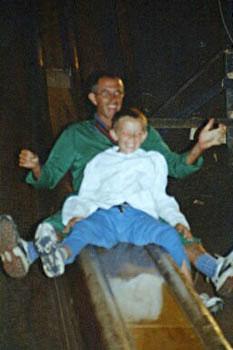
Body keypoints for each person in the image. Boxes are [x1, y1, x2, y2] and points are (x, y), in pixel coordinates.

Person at [0, 72, 229, 288]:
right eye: (106, 93)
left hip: (141, 205)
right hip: (95, 203)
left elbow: (176, 168)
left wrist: (200, 146)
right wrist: (36, 167)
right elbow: (49, 180)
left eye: (118, 92)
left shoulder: (141, 132)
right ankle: (27, 253)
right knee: (69, 221)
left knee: (176, 230)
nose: (113, 98)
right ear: (93, 98)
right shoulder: (76, 135)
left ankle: (215, 270)